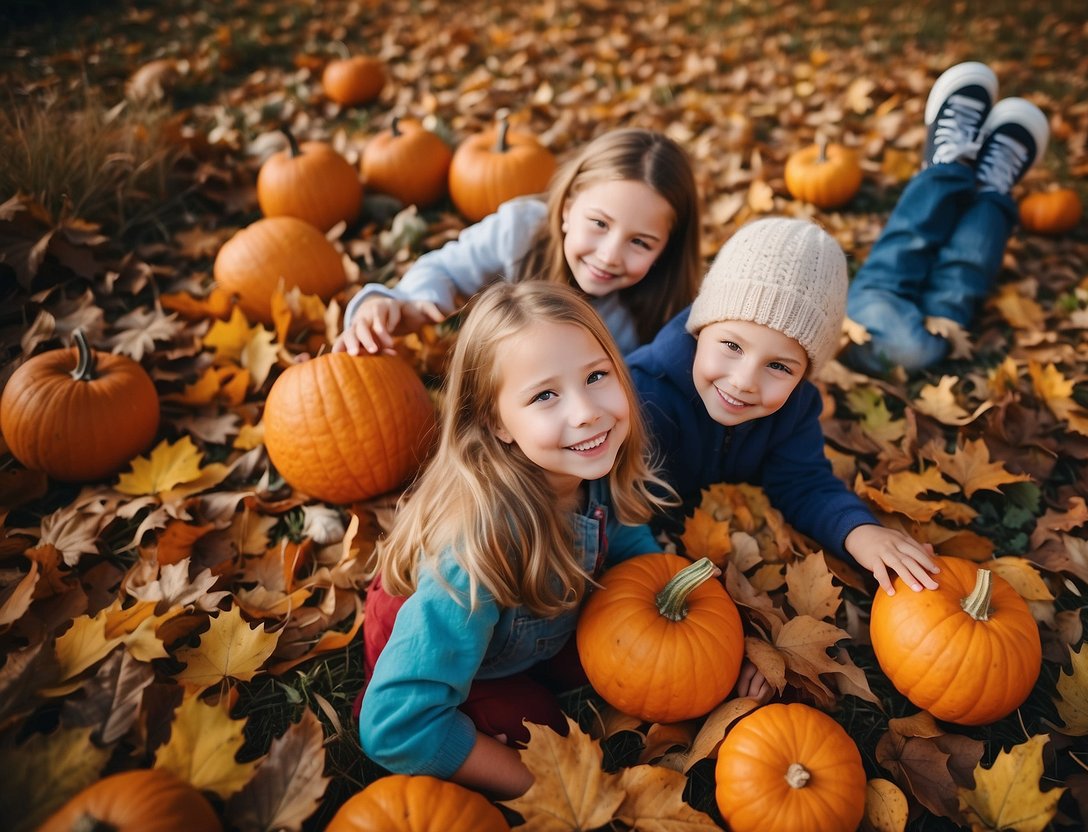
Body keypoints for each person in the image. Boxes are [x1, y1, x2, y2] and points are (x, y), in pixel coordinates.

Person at [359, 281, 754, 799]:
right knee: (535, 727)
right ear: (496, 422)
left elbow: (632, 552)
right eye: (545, 395)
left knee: (600, 662)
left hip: (533, 626)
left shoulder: (592, 473)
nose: (587, 411)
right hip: (440, 641)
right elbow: (392, 726)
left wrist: (716, 637)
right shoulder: (476, 554)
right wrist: (544, 787)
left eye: (596, 376)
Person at [628, 217, 939, 597]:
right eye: (732, 346)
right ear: (700, 329)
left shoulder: (795, 409)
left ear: (804, 373)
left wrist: (860, 532)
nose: (744, 380)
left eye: (778, 366)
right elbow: (610, 493)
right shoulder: (643, 392)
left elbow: (803, 483)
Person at [334, 127, 702, 357]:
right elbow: (445, 267)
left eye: (640, 242)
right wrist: (405, 300)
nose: (609, 255)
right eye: (599, 224)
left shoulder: (664, 310)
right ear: (567, 210)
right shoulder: (521, 230)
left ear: (666, 248)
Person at [844, 61, 1050, 374]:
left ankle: (947, 170)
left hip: (877, 303)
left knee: (903, 253)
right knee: (947, 300)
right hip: (929, 329)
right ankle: (988, 194)